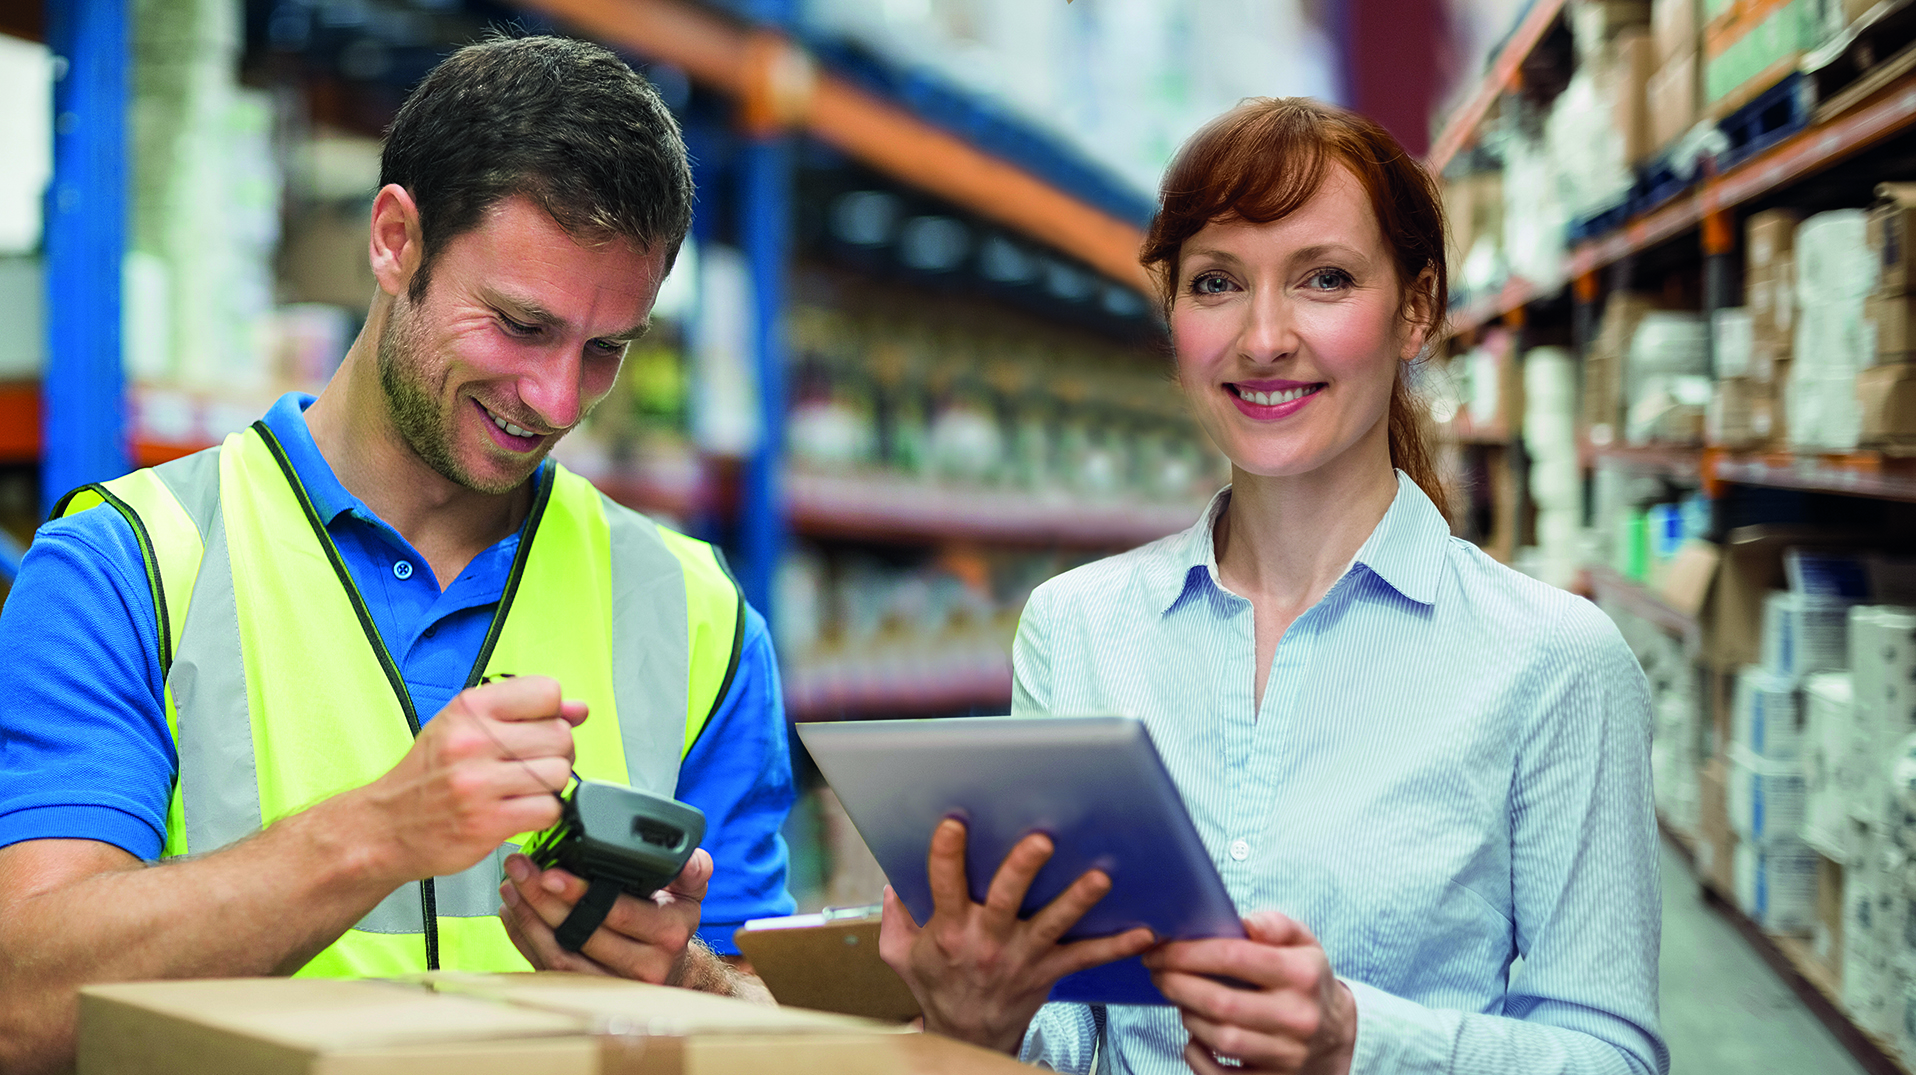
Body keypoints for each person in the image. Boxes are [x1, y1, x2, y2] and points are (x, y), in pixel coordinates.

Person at [0, 34, 795, 1074]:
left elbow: (775, 1020)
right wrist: (377, 833)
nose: (556, 400)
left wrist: (678, 975)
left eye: (605, 349)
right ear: (394, 240)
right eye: (519, 324)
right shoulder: (129, 564)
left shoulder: (695, 613)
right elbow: (25, 1006)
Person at [879, 98, 1667, 1075]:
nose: (1261, 337)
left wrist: (1353, 1042)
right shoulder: (1077, 627)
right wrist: (978, 1018)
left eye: (1322, 280)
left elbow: (1610, 1056)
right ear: (1172, 313)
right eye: (1215, 283)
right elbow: (1076, 1031)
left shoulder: (1552, 664)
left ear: (1414, 309)